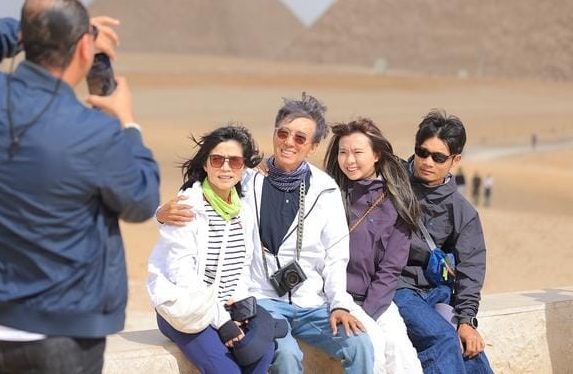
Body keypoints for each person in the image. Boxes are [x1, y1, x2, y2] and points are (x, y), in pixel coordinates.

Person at [0, 0, 161, 373]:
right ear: (85, 49)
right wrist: (127, 123)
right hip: (57, 342)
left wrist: (35, 29)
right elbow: (142, 198)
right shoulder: (94, 133)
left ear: (25, 38)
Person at [158, 94, 374, 374]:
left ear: (313, 146)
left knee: (360, 345)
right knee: (285, 356)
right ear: (274, 134)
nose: (288, 142)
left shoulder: (326, 190)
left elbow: (335, 256)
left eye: (300, 138)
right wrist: (160, 213)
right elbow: (198, 194)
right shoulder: (246, 179)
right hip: (262, 301)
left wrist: (339, 305)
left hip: (312, 304)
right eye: (283, 133)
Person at [148, 125, 280, 374]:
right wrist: (222, 321)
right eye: (217, 159)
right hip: (185, 310)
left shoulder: (243, 212)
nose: (226, 167)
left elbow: (242, 267)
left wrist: (238, 307)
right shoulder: (187, 208)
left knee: (261, 353)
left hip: (226, 308)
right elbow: (183, 276)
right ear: (206, 164)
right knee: (227, 370)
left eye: (235, 161)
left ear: (243, 167)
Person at [393, 110, 493, 374]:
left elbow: (471, 268)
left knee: (472, 353)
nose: (427, 162)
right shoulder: (392, 183)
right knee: (441, 338)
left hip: (436, 292)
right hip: (395, 288)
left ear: (455, 159)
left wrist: (466, 320)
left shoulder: (462, 210)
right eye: (422, 152)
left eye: (438, 157)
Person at [324, 119, 423, 374]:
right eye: (343, 152)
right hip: (338, 296)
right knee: (374, 348)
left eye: (358, 152)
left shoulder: (397, 201)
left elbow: (391, 268)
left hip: (377, 299)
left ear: (376, 154)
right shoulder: (328, 193)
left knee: (403, 355)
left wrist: (368, 312)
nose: (349, 160)